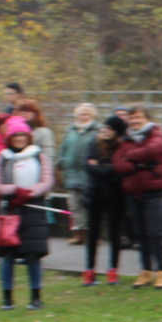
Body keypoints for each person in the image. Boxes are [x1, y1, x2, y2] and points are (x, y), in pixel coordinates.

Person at [0, 117, 56, 310]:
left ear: (28, 136)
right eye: (16, 135)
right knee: (7, 256)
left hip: (34, 211)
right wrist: (15, 191)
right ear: (9, 138)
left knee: (33, 255)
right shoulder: (2, 157)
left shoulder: (39, 156)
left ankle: (36, 297)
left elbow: (47, 181)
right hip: (9, 212)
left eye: (23, 135)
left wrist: (30, 193)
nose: (20, 138)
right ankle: (7, 298)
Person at [115, 105, 162, 287]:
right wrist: (140, 164)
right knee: (140, 234)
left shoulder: (155, 133)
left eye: (138, 117)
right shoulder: (125, 138)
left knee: (155, 233)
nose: (135, 121)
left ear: (147, 118)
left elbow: (154, 150)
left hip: (153, 191)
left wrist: (130, 156)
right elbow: (118, 164)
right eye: (131, 118)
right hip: (133, 192)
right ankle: (145, 271)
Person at [83, 116, 128, 286]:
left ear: (116, 133)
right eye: (104, 127)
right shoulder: (93, 142)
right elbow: (88, 167)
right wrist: (108, 168)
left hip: (114, 196)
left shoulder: (121, 147)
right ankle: (89, 271)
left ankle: (113, 271)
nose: (104, 131)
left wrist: (99, 167)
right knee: (92, 233)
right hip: (94, 194)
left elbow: (120, 172)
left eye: (109, 129)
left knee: (114, 233)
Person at [58, 103, 101, 248]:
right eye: (82, 114)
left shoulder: (97, 130)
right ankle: (78, 234)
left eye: (87, 114)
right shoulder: (70, 130)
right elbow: (64, 148)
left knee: (89, 205)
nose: (84, 117)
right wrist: (61, 162)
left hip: (89, 173)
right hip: (71, 172)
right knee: (74, 205)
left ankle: (92, 234)